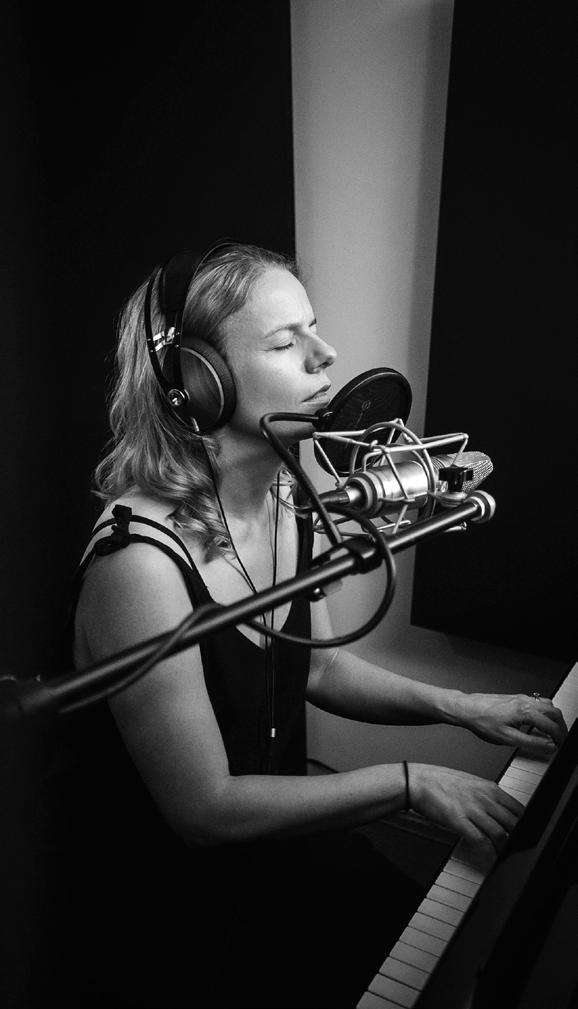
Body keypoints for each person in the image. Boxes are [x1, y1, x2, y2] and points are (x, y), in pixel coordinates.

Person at [32, 242, 567, 1009]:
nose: (327, 354)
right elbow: (204, 807)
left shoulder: (286, 496)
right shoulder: (139, 565)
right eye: (286, 342)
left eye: (313, 328)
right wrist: (410, 783)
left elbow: (315, 664)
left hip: (276, 844)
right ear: (199, 382)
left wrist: (461, 706)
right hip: (170, 905)